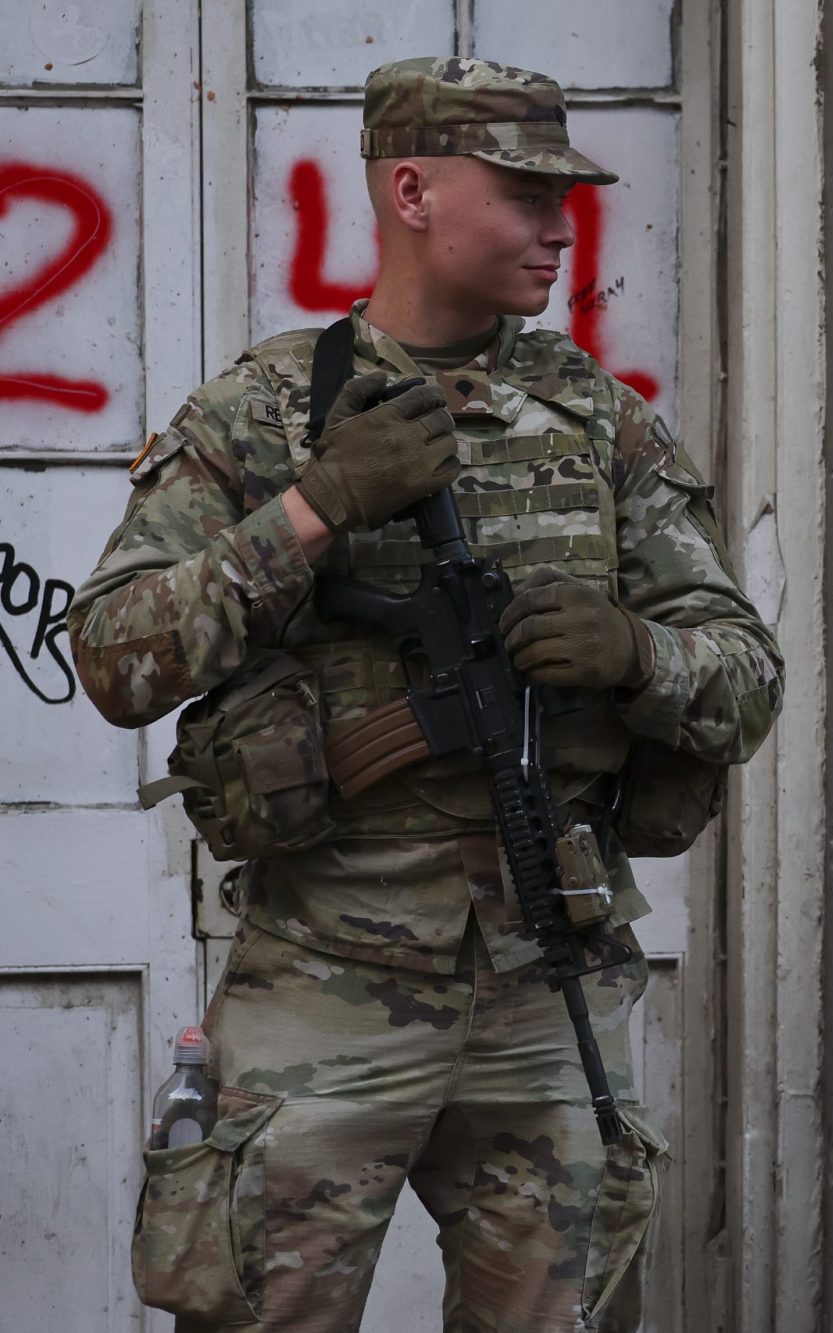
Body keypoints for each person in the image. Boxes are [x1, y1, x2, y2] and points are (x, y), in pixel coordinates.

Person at [66, 55, 782, 1332]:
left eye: (565, 198)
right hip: (324, 977)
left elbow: (745, 674)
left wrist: (635, 653)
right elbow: (117, 658)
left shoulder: (600, 424)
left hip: (549, 972)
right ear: (411, 190)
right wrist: (312, 510)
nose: (560, 228)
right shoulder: (261, 415)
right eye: (523, 194)